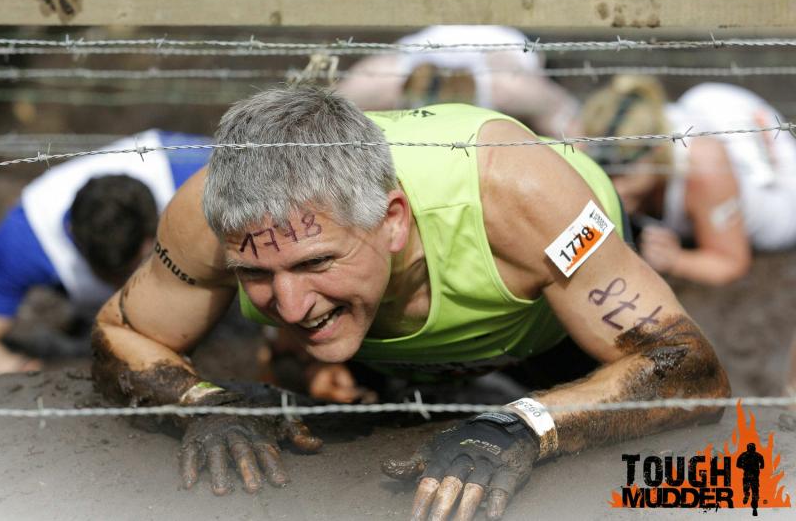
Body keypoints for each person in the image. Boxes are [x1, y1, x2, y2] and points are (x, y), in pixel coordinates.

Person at [91, 87, 730, 521]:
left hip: (547, 327)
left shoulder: (517, 194)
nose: (289, 304)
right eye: (254, 273)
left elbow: (689, 366)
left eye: (315, 262)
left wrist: (527, 424)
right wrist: (205, 403)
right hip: (377, 327)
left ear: (393, 220)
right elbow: (121, 333)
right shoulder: (208, 217)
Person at [0, 129, 211, 374]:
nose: (124, 283)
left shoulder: (198, 173)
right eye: (113, 277)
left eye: (135, 268)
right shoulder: (23, 241)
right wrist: (17, 367)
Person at [581, 77, 796, 286]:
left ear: (655, 150)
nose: (613, 187)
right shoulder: (602, 137)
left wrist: (675, 260)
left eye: (622, 172)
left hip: (785, 198)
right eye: (603, 171)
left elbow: (730, 263)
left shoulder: (703, 170)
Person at [336, 25, 581, 136]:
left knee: (346, 99)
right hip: (497, 55)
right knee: (552, 110)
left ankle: (431, 96)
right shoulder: (509, 77)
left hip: (425, 47)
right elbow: (569, 124)